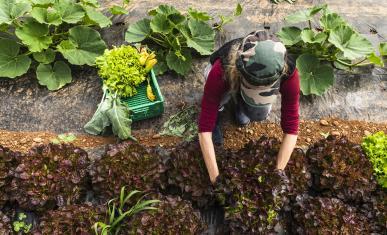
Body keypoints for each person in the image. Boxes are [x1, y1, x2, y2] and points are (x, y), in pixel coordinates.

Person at [198, 30, 300, 184]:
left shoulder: (288, 71)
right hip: (228, 77)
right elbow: (204, 128)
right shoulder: (222, 69)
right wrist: (216, 180)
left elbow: (291, 128)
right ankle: (223, 108)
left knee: (257, 114)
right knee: (217, 101)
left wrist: (277, 174)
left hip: (239, 79)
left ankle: (242, 104)